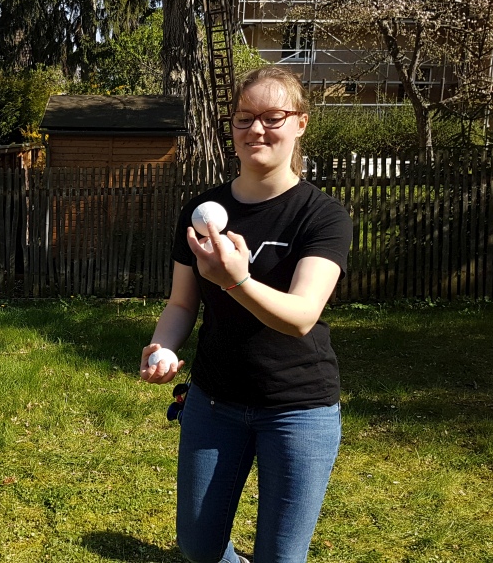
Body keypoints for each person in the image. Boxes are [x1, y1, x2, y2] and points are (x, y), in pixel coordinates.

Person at [139, 66, 353, 563]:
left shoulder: (322, 216)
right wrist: (164, 345)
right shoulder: (202, 210)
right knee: (198, 549)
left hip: (299, 408)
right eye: (244, 118)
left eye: (273, 117)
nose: (257, 130)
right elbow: (181, 303)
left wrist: (236, 279)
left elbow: (301, 316)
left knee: (281, 558)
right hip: (214, 403)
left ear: (300, 123)